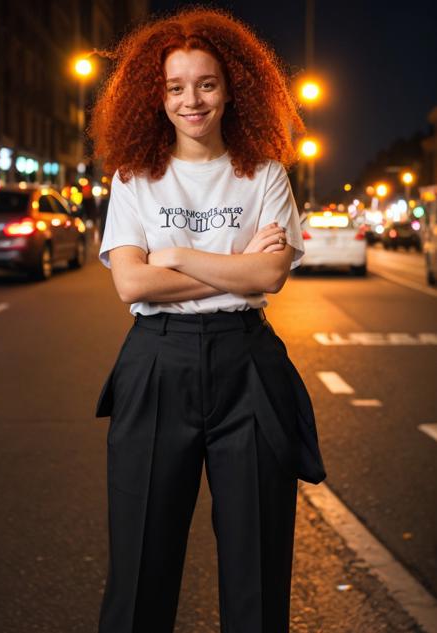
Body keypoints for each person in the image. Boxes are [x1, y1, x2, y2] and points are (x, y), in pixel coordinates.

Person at [89, 6, 326, 633]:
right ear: (155, 96)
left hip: (248, 365)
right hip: (155, 364)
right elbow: (131, 283)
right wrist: (235, 262)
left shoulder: (265, 173)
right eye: (174, 87)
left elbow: (270, 277)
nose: (191, 100)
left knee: (258, 564)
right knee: (141, 563)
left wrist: (177, 254)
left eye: (206, 83)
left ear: (233, 88)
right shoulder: (136, 177)